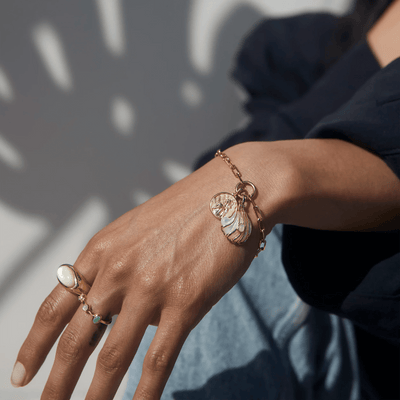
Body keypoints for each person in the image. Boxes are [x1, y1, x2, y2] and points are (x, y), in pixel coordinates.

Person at [11, 0, 399, 399]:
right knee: (207, 267)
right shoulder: (296, 54)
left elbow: (245, 175)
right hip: (340, 350)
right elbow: (206, 192)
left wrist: (271, 171)